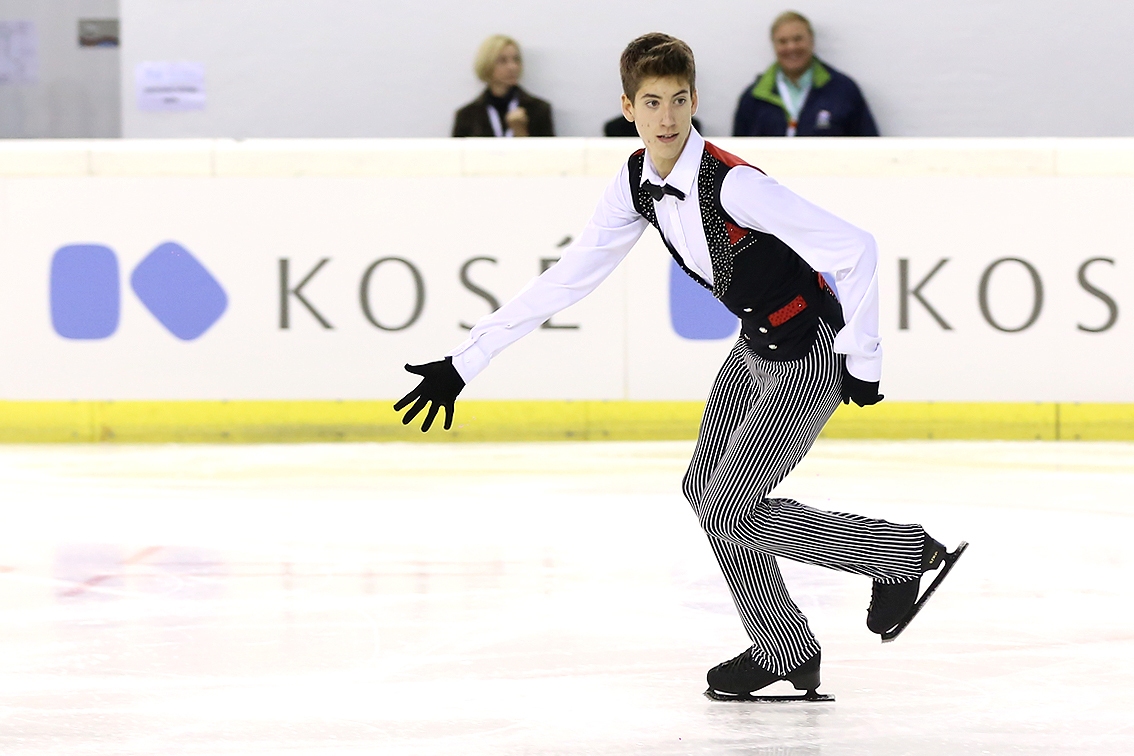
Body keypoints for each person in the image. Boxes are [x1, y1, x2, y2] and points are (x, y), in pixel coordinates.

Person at [398, 33, 963, 700]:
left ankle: (899, 556)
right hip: (754, 349)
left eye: (679, 101)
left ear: (695, 100)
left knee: (729, 509)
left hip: (808, 351)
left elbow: (855, 248)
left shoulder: (734, 185)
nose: (667, 119)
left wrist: (860, 357)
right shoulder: (637, 182)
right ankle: (785, 646)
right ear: (628, 108)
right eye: (652, 103)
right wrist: (467, 361)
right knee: (704, 492)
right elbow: (568, 278)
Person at [733, 11, 878, 137]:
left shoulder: (844, 91)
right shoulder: (753, 98)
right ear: (774, 45)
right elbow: (736, 160)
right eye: (783, 41)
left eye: (798, 39)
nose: (791, 47)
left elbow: (870, 149)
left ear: (811, 41)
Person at [452, 35, 554, 138]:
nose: (512, 67)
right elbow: (456, 153)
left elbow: (550, 153)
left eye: (516, 59)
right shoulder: (467, 115)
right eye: (502, 61)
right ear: (487, 64)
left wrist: (520, 132)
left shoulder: (539, 110)